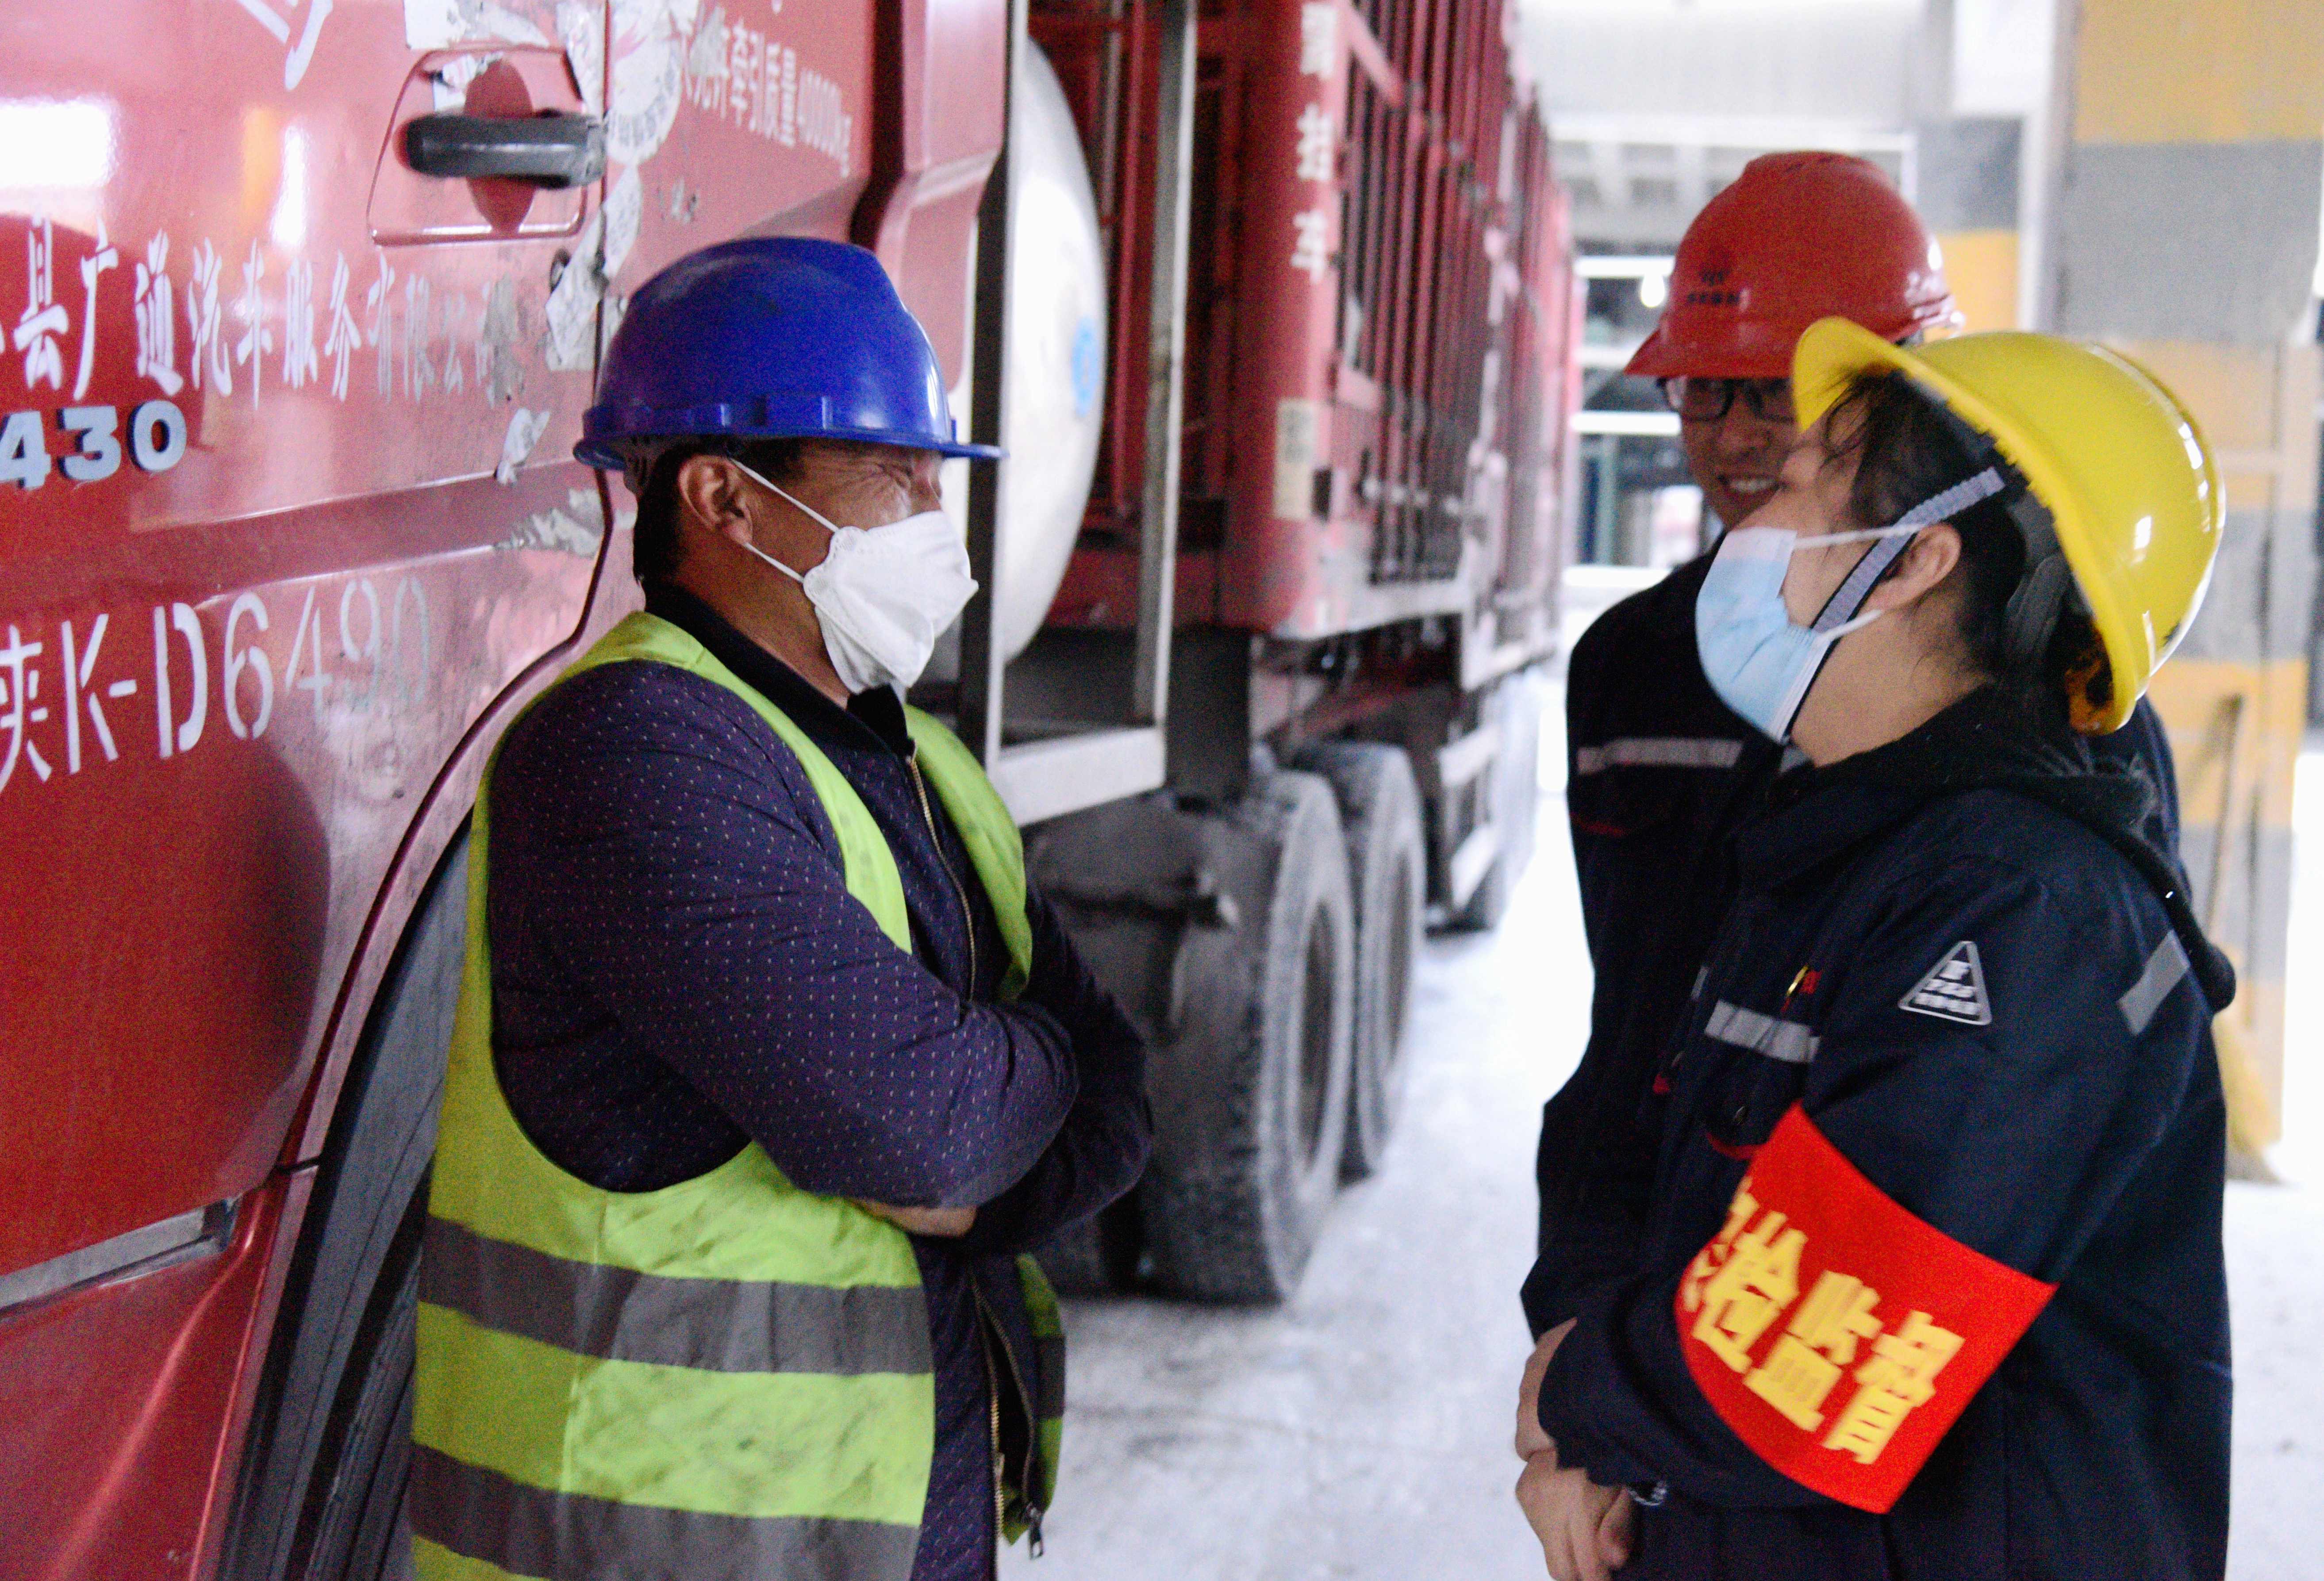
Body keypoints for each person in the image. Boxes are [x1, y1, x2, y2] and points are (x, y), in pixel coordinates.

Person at [407, 237, 1152, 1581]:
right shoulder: (631, 752)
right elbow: (927, 1130)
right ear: (724, 498)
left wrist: (1000, 1123)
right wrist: (1033, 1073)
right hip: (655, 1545)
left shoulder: (919, 762)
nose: (936, 516)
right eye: (897, 474)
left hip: (890, 1524)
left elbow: (1119, 1101)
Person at [1512, 319, 2234, 1579]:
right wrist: (1601, 1434)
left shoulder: (2024, 916)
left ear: (1911, 560)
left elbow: (1819, 1361)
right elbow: (1679, 1171)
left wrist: (1582, 1398)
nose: (1750, 515)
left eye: (1803, 480)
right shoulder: (1848, 851)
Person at [1525, 151, 2183, 1362]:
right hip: (1671, 1306)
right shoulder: (1629, 668)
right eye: (1702, 391)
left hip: (1854, 1356)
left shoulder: (2058, 793)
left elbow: (1993, 1177)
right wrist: (1586, 1330)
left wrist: (1642, 1392)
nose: (1734, 437)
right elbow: (1633, 1028)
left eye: (1777, 396)